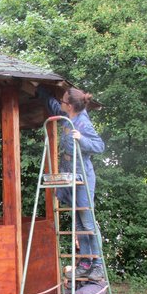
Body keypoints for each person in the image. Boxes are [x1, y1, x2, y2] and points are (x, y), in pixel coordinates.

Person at [38, 86, 105, 281]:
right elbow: (53, 105)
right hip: (69, 174)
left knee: (87, 221)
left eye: (63, 100)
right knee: (77, 222)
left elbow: (99, 146)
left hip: (82, 176)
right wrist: (41, 91)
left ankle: (98, 264)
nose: (61, 102)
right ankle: (85, 263)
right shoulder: (67, 114)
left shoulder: (82, 122)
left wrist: (81, 139)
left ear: (70, 105)